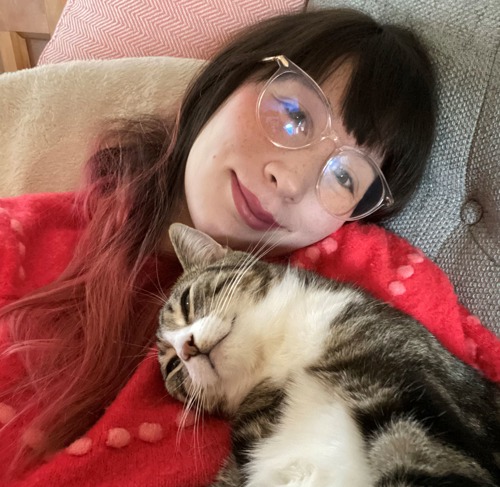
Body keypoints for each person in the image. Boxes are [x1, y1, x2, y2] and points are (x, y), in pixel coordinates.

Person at [0, 7, 497, 486]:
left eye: (346, 175)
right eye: (294, 115)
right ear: (231, 77)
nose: (289, 180)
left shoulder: (377, 274)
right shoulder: (19, 238)